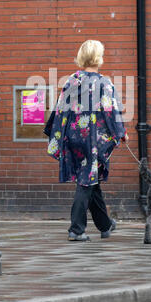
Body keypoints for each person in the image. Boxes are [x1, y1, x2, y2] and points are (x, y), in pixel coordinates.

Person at [44, 40, 128, 241]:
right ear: (99, 58)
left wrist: (53, 132)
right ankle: (76, 229)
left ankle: (105, 225)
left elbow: (59, 108)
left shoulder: (71, 81)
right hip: (93, 140)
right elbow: (110, 111)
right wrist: (121, 132)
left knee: (92, 179)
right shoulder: (104, 83)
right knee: (86, 181)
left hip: (73, 138)